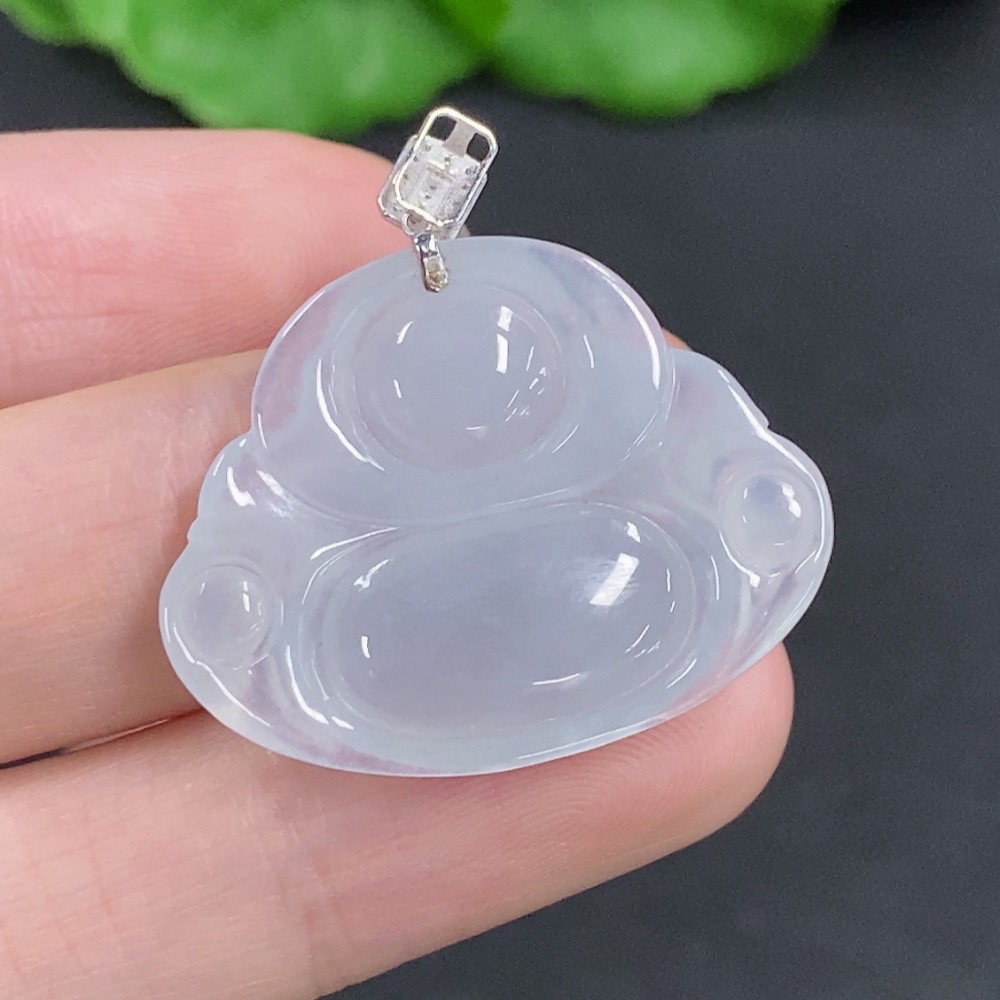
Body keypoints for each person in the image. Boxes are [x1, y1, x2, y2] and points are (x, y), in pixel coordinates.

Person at [0, 129, 792, 1000]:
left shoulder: (642, 410)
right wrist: (240, 605)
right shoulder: (303, 478)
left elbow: (721, 447)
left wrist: (745, 497)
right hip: (376, 615)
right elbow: (249, 535)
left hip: (625, 567)